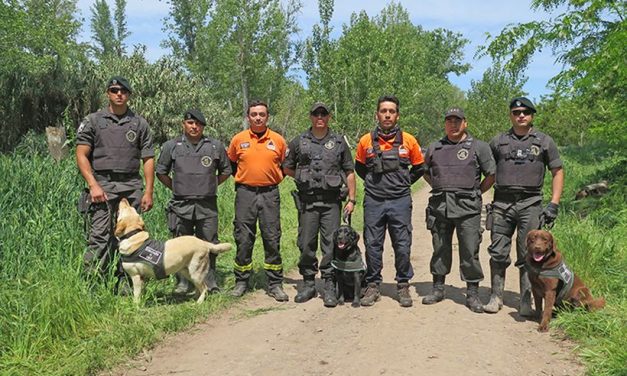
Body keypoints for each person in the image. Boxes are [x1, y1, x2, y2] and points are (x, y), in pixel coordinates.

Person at [483, 97, 564, 315]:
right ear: (510, 114)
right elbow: (488, 172)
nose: (521, 115)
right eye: (517, 112)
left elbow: (557, 171)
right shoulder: (497, 142)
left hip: (531, 204)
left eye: (526, 112)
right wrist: (475, 193)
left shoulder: (544, 141)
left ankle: (526, 300)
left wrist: (554, 204)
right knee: (498, 252)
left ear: (532, 116)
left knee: (529, 253)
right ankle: (495, 295)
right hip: (502, 203)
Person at [76, 76, 155, 293]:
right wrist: (93, 185)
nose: (118, 94)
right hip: (103, 185)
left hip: (131, 185)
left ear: (128, 95)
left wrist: (148, 191)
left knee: (131, 237)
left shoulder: (139, 124)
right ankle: (92, 287)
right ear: (107, 93)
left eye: (123, 90)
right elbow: (81, 155)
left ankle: (127, 285)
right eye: (114, 90)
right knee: (100, 237)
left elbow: (148, 158)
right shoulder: (93, 120)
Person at [283, 102, 357, 307]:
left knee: (331, 245)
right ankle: (308, 283)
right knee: (306, 243)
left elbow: (349, 171)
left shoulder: (338, 142)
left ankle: (329, 285)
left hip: (331, 203)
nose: (320, 117)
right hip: (307, 202)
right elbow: (287, 167)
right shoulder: (299, 141)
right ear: (310, 117)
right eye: (316, 114)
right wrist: (301, 177)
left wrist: (351, 199)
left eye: (324, 114)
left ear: (329, 117)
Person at [422, 107, 495, 313]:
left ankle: (472, 293)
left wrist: (477, 192)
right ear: (444, 123)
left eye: (457, 120)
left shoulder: (479, 147)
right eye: (449, 120)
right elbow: (426, 173)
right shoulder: (434, 147)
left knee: (470, 250)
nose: (453, 124)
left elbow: (491, 174)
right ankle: (438, 289)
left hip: (468, 208)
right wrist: (440, 187)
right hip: (440, 207)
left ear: (465, 123)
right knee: (440, 248)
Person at [354, 95, 425, 307]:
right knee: (373, 244)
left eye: (391, 111)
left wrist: (403, 183)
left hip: (400, 201)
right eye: (383, 111)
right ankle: (373, 285)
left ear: (397, 115)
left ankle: (403, 285)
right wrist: (374, 183)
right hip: (374, 201)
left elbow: (420, 168)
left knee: (402, 245)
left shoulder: (409, 141)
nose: (387, 115)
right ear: (377, 114)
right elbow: (360, 167)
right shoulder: (366, 141)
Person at [156, 109, 232, 294]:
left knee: (210, 243)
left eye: (198, 124)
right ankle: (183, 282)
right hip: (181, 205)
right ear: (184, 124)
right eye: (190, 123)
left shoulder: (214, 146)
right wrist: (176, 187)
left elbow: (225, 171)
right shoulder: (171, 146)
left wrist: (209, 185)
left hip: (207, 205)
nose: (194, 127)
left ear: (203, 126)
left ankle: (210, 282)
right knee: (181, 245)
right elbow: (161, 172)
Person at [227, 100, 289, 302]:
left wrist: (270, 180)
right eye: (254, 114)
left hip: (270, 194)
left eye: (262, 114)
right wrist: (248, 179)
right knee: (244, 237)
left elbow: (285, 167)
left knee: (272, 237)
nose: (258, 117)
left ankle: (274, 283)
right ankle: (242, 281)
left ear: (267, 117)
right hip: (245, 194)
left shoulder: (278, 140)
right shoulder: (238, 139)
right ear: (248, 117)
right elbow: (232, 164)